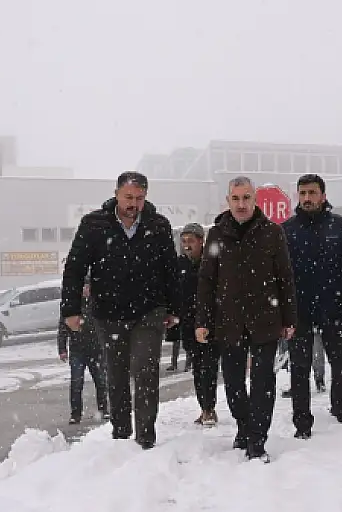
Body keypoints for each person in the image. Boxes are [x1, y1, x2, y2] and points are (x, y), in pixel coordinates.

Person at [61, 171, 180, 449]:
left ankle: (146, 437)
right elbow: (75, 268)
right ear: (116, 194)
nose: (133, 204)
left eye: (139, 198)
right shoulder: (94, 224)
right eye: (128, 197)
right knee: (116, 375)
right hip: (109, 313)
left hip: (148, 312)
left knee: (146, 371)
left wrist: (174, 307)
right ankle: (122, 434)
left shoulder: (158, 225)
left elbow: (171, 270)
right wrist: (70, 310)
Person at [197, 177, 297, 462]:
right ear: (228, 201)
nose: (241, 204)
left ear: (255, 200)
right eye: (236, 198)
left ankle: (257, 439)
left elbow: (285, 278)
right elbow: (206, 280)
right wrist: (202, 320)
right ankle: (243, 426)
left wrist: (289, 318)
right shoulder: (217, 234)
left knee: (263, 381)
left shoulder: (272, 233)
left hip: (266, 320)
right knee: (233, 384)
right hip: (228, 321)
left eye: (247, 198)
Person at [282, 174, 342, 438]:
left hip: (335, 308)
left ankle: (340, 409)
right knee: (299, 367)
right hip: (299, 312)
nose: (307, 198)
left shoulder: (340, 228)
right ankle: (302, 422)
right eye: (302, 193)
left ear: (323, 196)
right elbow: (279, 276)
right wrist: (283, 313)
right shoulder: (287, 230)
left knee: (341, 363)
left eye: (312, 193)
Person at [177, 222, 220, 426]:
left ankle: (209, 408)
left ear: (201, 241)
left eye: (191, 241)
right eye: (184, 241)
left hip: (210, 323)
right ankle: (203, 407)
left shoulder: (210, 262)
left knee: (208, 368)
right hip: (188, 325)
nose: (187, 245)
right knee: (197, 368)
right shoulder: (179, 265)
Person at [57, 276, 108, 423]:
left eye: (88, 287)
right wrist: (62, 348)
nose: (86, 290)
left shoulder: (98, 304)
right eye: (83, 287)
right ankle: (75, 414)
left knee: (101, 381)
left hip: (96, 350)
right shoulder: (72, 306)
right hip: (77, 351)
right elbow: (63, 327)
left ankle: (104, 409)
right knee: (76, 383)